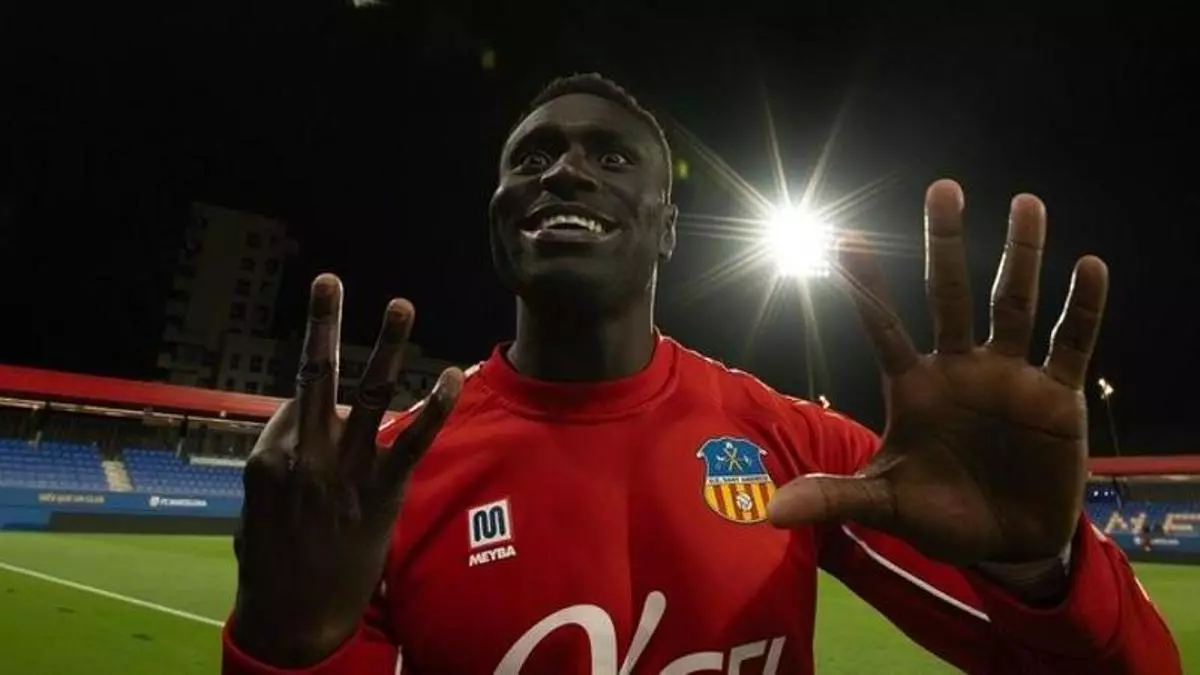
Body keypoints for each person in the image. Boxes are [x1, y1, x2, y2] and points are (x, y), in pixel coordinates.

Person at [222, 74, 1181, 674]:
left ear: (668, 228)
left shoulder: (795, 442)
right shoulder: (378, 479)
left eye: (610, 156)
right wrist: (282, 648)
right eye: (534, 157)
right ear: (500, 219)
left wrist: (1040, 571)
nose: (565, 173)